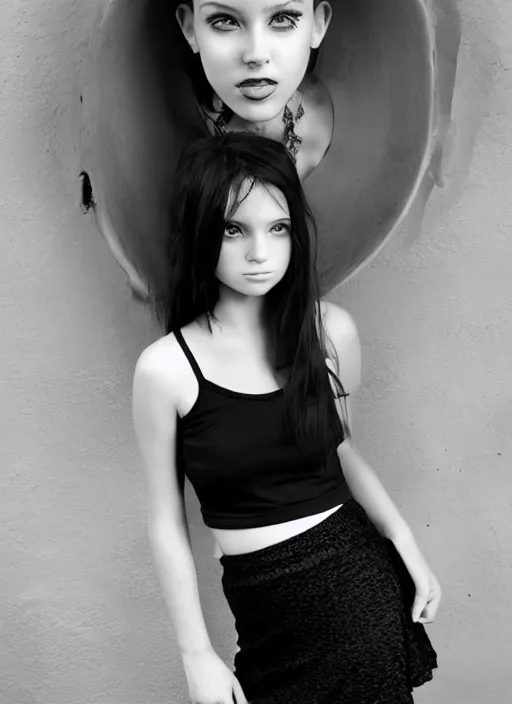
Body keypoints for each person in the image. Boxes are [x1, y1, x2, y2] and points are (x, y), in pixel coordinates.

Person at [132, 132, 441, 704]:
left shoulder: (329, 333)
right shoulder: (166, 371)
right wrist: (195, 653)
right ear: (202, 231)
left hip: (356, 589)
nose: (259, 252)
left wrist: (405, 544)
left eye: (277, 228)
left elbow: (342, 451)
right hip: (264, 615)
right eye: (234, 229)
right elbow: (165, 521)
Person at [173, 0, 334, 180]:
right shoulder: (181, 110)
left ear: (317, 25)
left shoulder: (320, 119)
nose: (256, 54)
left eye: (282, 19)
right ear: (190, 28)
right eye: (225, 21)